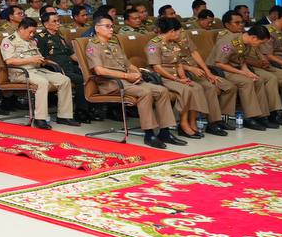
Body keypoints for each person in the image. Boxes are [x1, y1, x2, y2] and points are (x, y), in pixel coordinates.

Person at [85, 16, 180, 148]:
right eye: (107, 26)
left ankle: (165, 132)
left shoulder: (114, 43)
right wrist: (126, 76)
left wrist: (137, 73)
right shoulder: (93, 46)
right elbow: (99, 70)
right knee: (145, 92)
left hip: (127, 81)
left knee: (162, 90)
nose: (111, 29)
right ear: (97, 28)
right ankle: (149, 134)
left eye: (112, 26)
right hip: (111, 83)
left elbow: (128, 64)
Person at [145, 18, 218, 139]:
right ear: (172, 31)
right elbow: (157, 68)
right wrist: (178, 80)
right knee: (186, 89)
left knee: (196, 87)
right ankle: (183, 124)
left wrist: (184, 78)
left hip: (176, 77)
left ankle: (192, 122)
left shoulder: (172, 44)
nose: (180, 34)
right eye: (179, 31)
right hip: (163, 77)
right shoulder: (153, 45)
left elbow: (178, 64)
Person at [0, 18, 76, 128]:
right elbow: (9, 61)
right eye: (30, 32)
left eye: (34, 32)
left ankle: (64, 116)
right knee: (42, 82)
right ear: (21, 29)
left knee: (65, 80)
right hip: (20, 73)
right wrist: (31, 60)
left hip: (37, 70)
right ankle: (40, 119)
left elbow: (38, 56)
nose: (32, 35)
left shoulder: (31, 41)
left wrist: (42, 60)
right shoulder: (9, 41)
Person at [208, 20, 282, 130]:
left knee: (258, 80)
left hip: (233, 68)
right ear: (254, 38)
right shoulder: (228, 42)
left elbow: (241, 61)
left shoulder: (246, 43)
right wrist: (242, 73)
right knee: (246, 82)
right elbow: (220, 63)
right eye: (261, 43)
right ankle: (249, 117)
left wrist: (248, 72)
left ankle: (262, 116)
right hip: (218, 69)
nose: (260, 45)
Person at [36, 12, 90, 123]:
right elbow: (41, 58)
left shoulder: (59, 36)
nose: (58, 23)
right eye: (54, 21)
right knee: (82, 80)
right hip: (56, 70)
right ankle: (81, 112)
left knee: (89, 75)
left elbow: (71, 54)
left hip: (69, 66)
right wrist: (55, 65)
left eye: (58, 21)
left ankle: (91, 109)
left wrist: (85, 63)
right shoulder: (41, 38)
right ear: (46, 24)